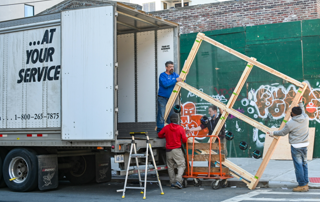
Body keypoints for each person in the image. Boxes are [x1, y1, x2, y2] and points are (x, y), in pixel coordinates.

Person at [267, 98, 309, 192]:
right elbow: (303, 111)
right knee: (304, 164)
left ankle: (302, 185)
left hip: (296, 146)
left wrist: (272, 133)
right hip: (305, 145)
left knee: (298, 166)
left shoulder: (290, 123)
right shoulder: (306, 118)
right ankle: (305, 182)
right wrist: (301, 102)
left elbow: (282, 133)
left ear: (293, 114)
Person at [158, 113, 187, 189]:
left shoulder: (166, 128)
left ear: (170, 120)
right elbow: (184, 140)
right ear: (177, 120)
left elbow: (160, 134)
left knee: (170, 167)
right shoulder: (180, 128)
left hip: (168, 151)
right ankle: (178, 181)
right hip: (177, 150)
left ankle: (173, 183)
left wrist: (165, 135)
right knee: (181, 165)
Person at [157, 61, 182, 133]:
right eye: (170, 67)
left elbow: (182, 80)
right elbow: (165, 84)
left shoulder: (175, 75)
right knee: (162, 114)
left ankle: (170, 132)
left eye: (173, 66)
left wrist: (183, 78)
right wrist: (175, 80)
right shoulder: (162, 75)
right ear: (166, 67)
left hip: (171, 98)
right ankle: (160, 131)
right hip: (162, 98)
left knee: (171, 115)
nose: (172, 68)